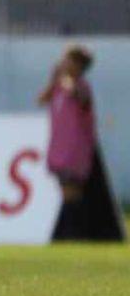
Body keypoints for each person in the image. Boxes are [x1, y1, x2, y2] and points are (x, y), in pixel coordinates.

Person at [40, 46, 97, 202]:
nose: (64, 63)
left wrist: (62, 78)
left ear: (78, 65)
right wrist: (54, 81)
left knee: (72, 194)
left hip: (74, 151)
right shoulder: (58, 86)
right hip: (60, 148)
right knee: (66, 193)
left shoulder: (81, 86)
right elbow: (42, 100)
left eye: (68, 60)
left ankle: (75, 223)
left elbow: (76, 94)